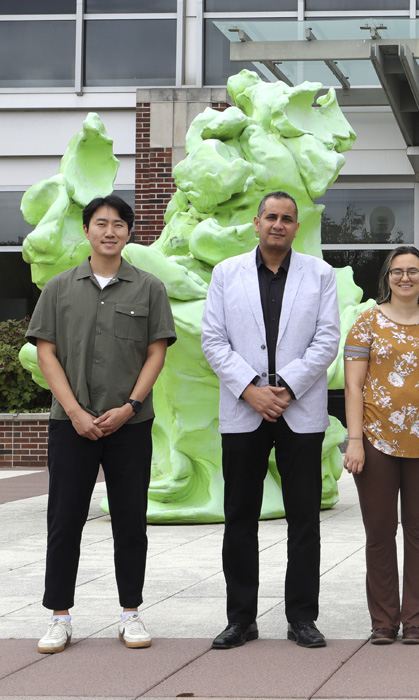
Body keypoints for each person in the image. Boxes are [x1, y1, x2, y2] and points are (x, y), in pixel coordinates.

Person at [27, 195, 176, 654]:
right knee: (64, 520)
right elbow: (46, 351)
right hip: (70, 423)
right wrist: (74, 410)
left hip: (129, 424)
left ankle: (131, 612)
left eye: (118, 225)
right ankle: (59, 616)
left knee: (130, 520)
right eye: (100, 224)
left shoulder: (148, 287)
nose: (109, 232)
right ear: (87, 230)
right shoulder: (58, 287)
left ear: (129, 233)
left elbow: (157, 351)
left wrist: (130, 406)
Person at [201, 191, 341, 650]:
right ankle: (240, 618)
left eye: (287, 219)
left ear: (296, 227)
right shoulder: (227, 274)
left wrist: (286, 387)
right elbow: (213, 340)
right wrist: (251, 390)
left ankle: (302, 616)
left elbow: (326, 340)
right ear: (256, 223)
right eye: (271, 217)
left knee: (304, 519)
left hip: (299, 410)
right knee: (239, 516)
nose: (278, 224)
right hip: (244, 410)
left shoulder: (319, 274)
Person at [343, 246, 419, 645]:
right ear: (387, 277)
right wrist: (354, 440)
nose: (405, 277)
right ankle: (384, 621)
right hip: (375, 442)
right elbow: (353, 385)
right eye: (397, 271)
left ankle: (417, 621)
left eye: (413, 271)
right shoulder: (366, 322)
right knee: (379, 531)